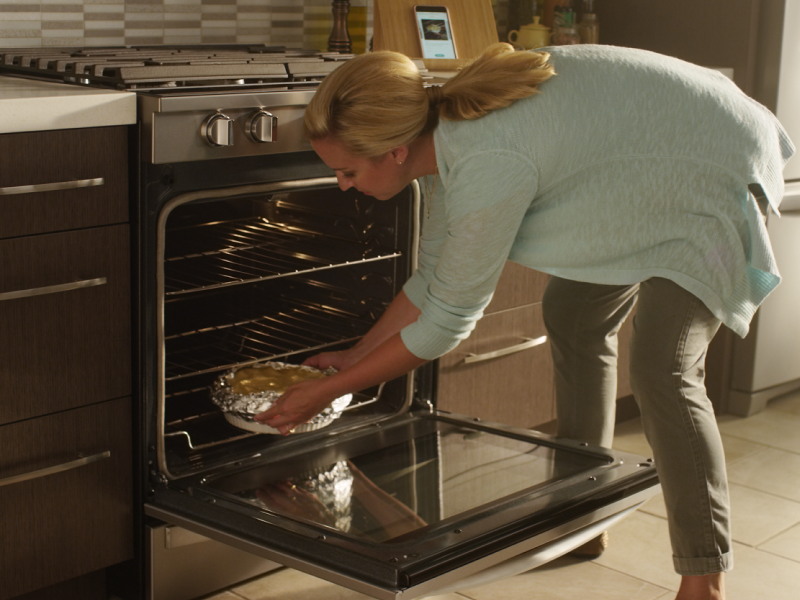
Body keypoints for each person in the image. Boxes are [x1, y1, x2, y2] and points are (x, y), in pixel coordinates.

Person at [256, 42, 795, 600]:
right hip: (645, 165)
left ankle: (704, 580)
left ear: (394, 151)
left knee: (664, 369)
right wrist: (355, 356)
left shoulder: (487, 160)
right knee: (574, 315)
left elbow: (447, 322)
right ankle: (585, 515)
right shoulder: (440, 142)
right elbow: (433, 280)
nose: (342, 185)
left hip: (711, 165)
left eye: (346, 171)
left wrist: (332, 391)